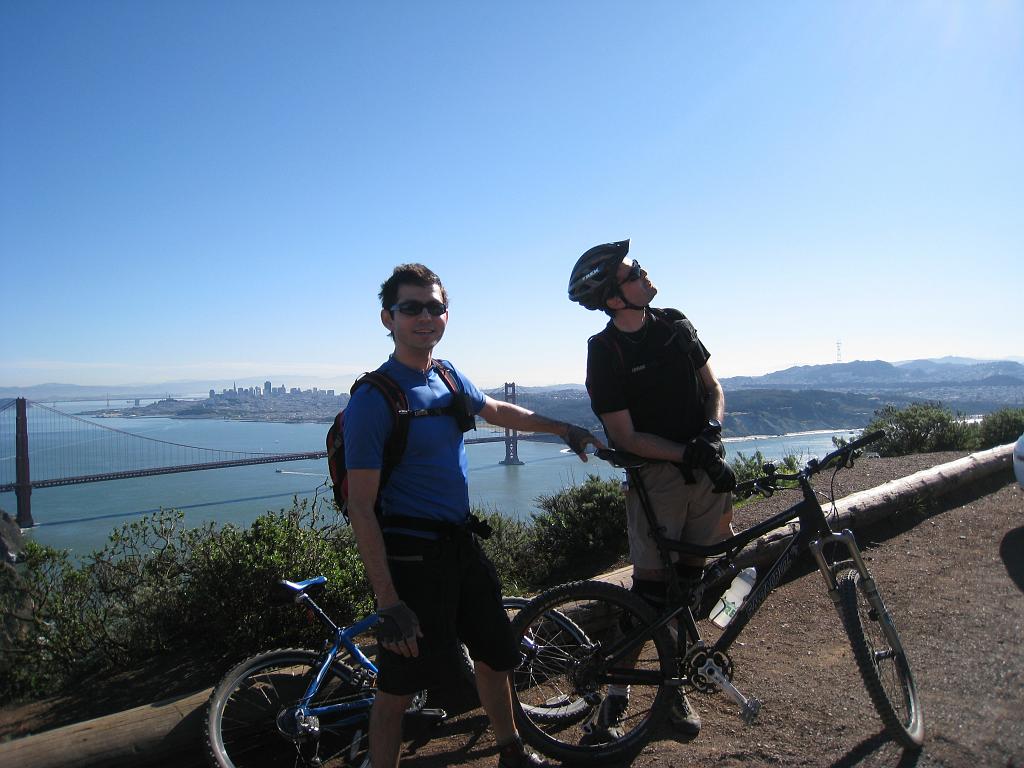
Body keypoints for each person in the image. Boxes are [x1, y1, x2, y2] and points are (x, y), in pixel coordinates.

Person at [345, 263, 604, 768]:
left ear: (447, 314)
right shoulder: (374, 400)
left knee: (495, 655)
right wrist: (389, 602)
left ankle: (511, 751)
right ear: (387, 318)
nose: (425, 317)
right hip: (412, 557)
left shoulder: (447, 375)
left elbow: (497, 411)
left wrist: (563, 428)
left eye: (434, 307)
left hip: (461, 546)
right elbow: (360, 507)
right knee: (397, 688)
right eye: (411, 308)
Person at [567, 238, 736, 742]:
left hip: (706, 471)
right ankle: (619, 691)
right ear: (613, 297)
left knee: (691, 586)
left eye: (638, 266)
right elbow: (624, 436)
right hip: (657, 480)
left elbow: (714, 388)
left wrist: (712, 432)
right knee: (651, 593)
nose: (644, 273)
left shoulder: (676, 324)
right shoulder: (605, 352)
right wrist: (688, 454)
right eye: (633, 272)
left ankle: (673, 684)